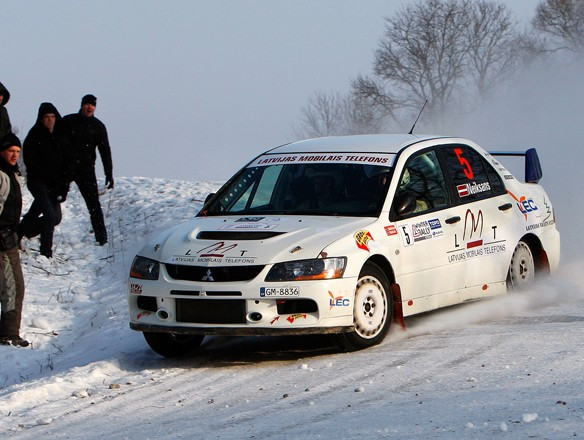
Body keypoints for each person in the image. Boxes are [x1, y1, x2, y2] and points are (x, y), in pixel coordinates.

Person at [62, 94, 113, 245]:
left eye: (93, 105)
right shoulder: (68, 121)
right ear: (82, 105)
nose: (90, 107)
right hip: (66, 168)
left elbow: (105, 151)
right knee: (53, 200)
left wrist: (108, 173)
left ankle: (102, 239)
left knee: (94, 205)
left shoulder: (98, 126)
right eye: (87, 104)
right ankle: (31, 233)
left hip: (86, 169)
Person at [18, 103, 67, 258]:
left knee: (55, 217)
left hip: (55, 185)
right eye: (47, 117)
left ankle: (21, 231)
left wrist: (63, 183)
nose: (50, 120)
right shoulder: (33, 137)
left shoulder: (60, 136)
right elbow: (31, 163)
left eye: (53, 116)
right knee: (50, 216)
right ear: (41, 118)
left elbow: (67, 160)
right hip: (38, 182)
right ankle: (46, 253)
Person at [0, 133, 28, 347]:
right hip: (1, 239)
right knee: (11, 287)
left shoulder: (13, 174)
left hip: (9, 237)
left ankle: (10, 332)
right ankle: (8, 334)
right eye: (11, 151)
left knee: (16, 286)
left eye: (17, 152)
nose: (14, 155)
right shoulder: (1, 175)